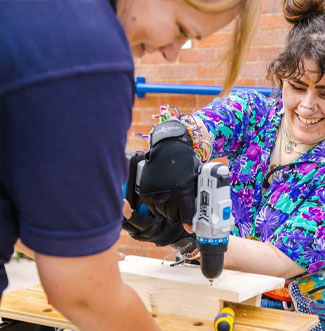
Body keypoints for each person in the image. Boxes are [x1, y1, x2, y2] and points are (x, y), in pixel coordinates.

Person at [0, 0, 259, 330]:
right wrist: (83, 261)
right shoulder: (92, 52)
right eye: (181, 29)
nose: (171, 54)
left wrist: (69, 236)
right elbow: (81, 293)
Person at [123, 0, 325, 282]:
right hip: (225, 289)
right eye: (297, 86)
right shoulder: (254, 113)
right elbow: (202, 128)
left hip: (299, 311)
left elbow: (280, 261)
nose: (306, 106)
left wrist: (187, 238)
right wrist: (175, 144)